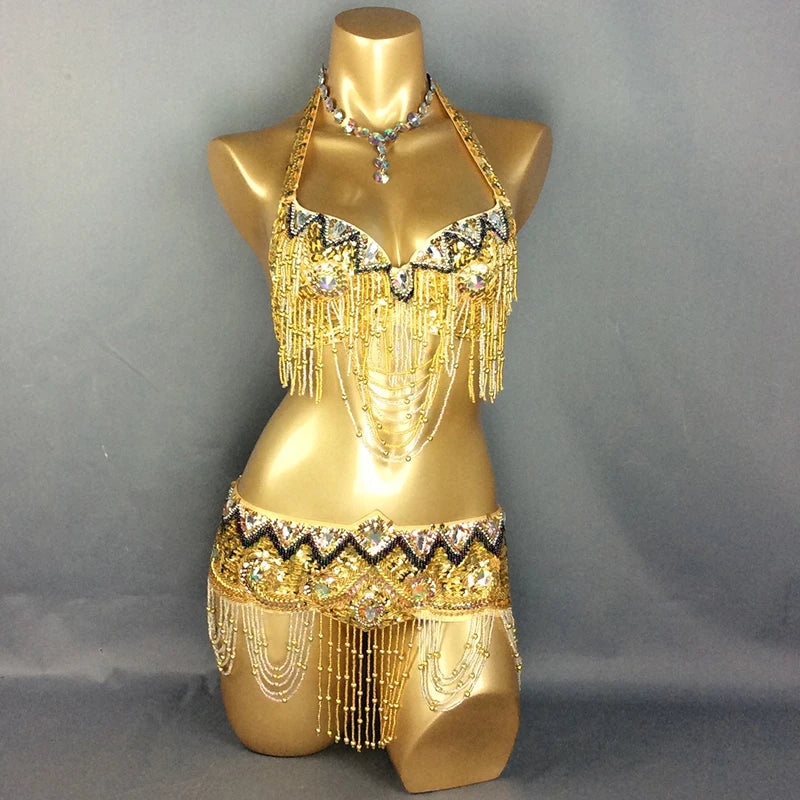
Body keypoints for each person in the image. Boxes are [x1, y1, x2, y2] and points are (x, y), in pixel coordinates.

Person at [206, 7, 551, 792]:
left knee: (458, 753)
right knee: (277, 743)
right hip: (290, 539)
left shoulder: (514, 150)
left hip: (448, 543)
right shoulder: (254, 160)